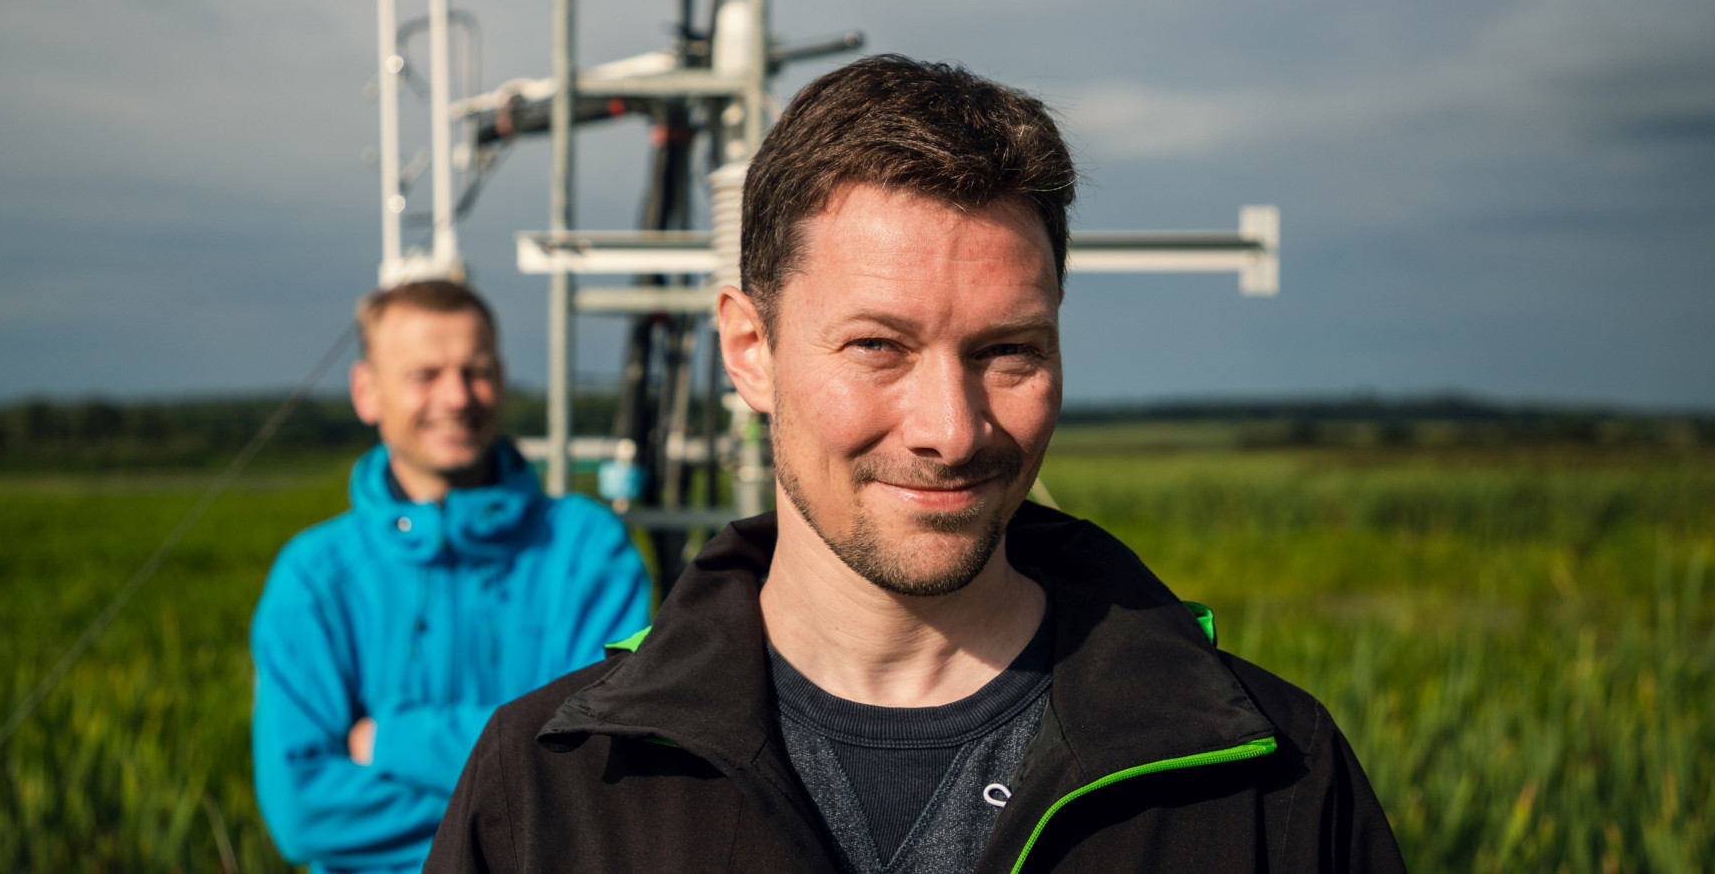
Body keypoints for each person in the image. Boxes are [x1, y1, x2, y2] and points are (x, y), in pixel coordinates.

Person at [424, 56, 1405, 874]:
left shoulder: (1263, 779)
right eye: (879, 346)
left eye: (1007, 351)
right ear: (750, 349)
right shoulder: (551, 795)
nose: (952, 427)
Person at [250, 279, 650, 874]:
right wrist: (514, 816)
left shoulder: (589, 553)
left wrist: (391, 741)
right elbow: (301, 809)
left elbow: (598, 765)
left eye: (477, 370)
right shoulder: (314, 578)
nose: (457, 396)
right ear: (367, 391)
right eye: (425, 375)